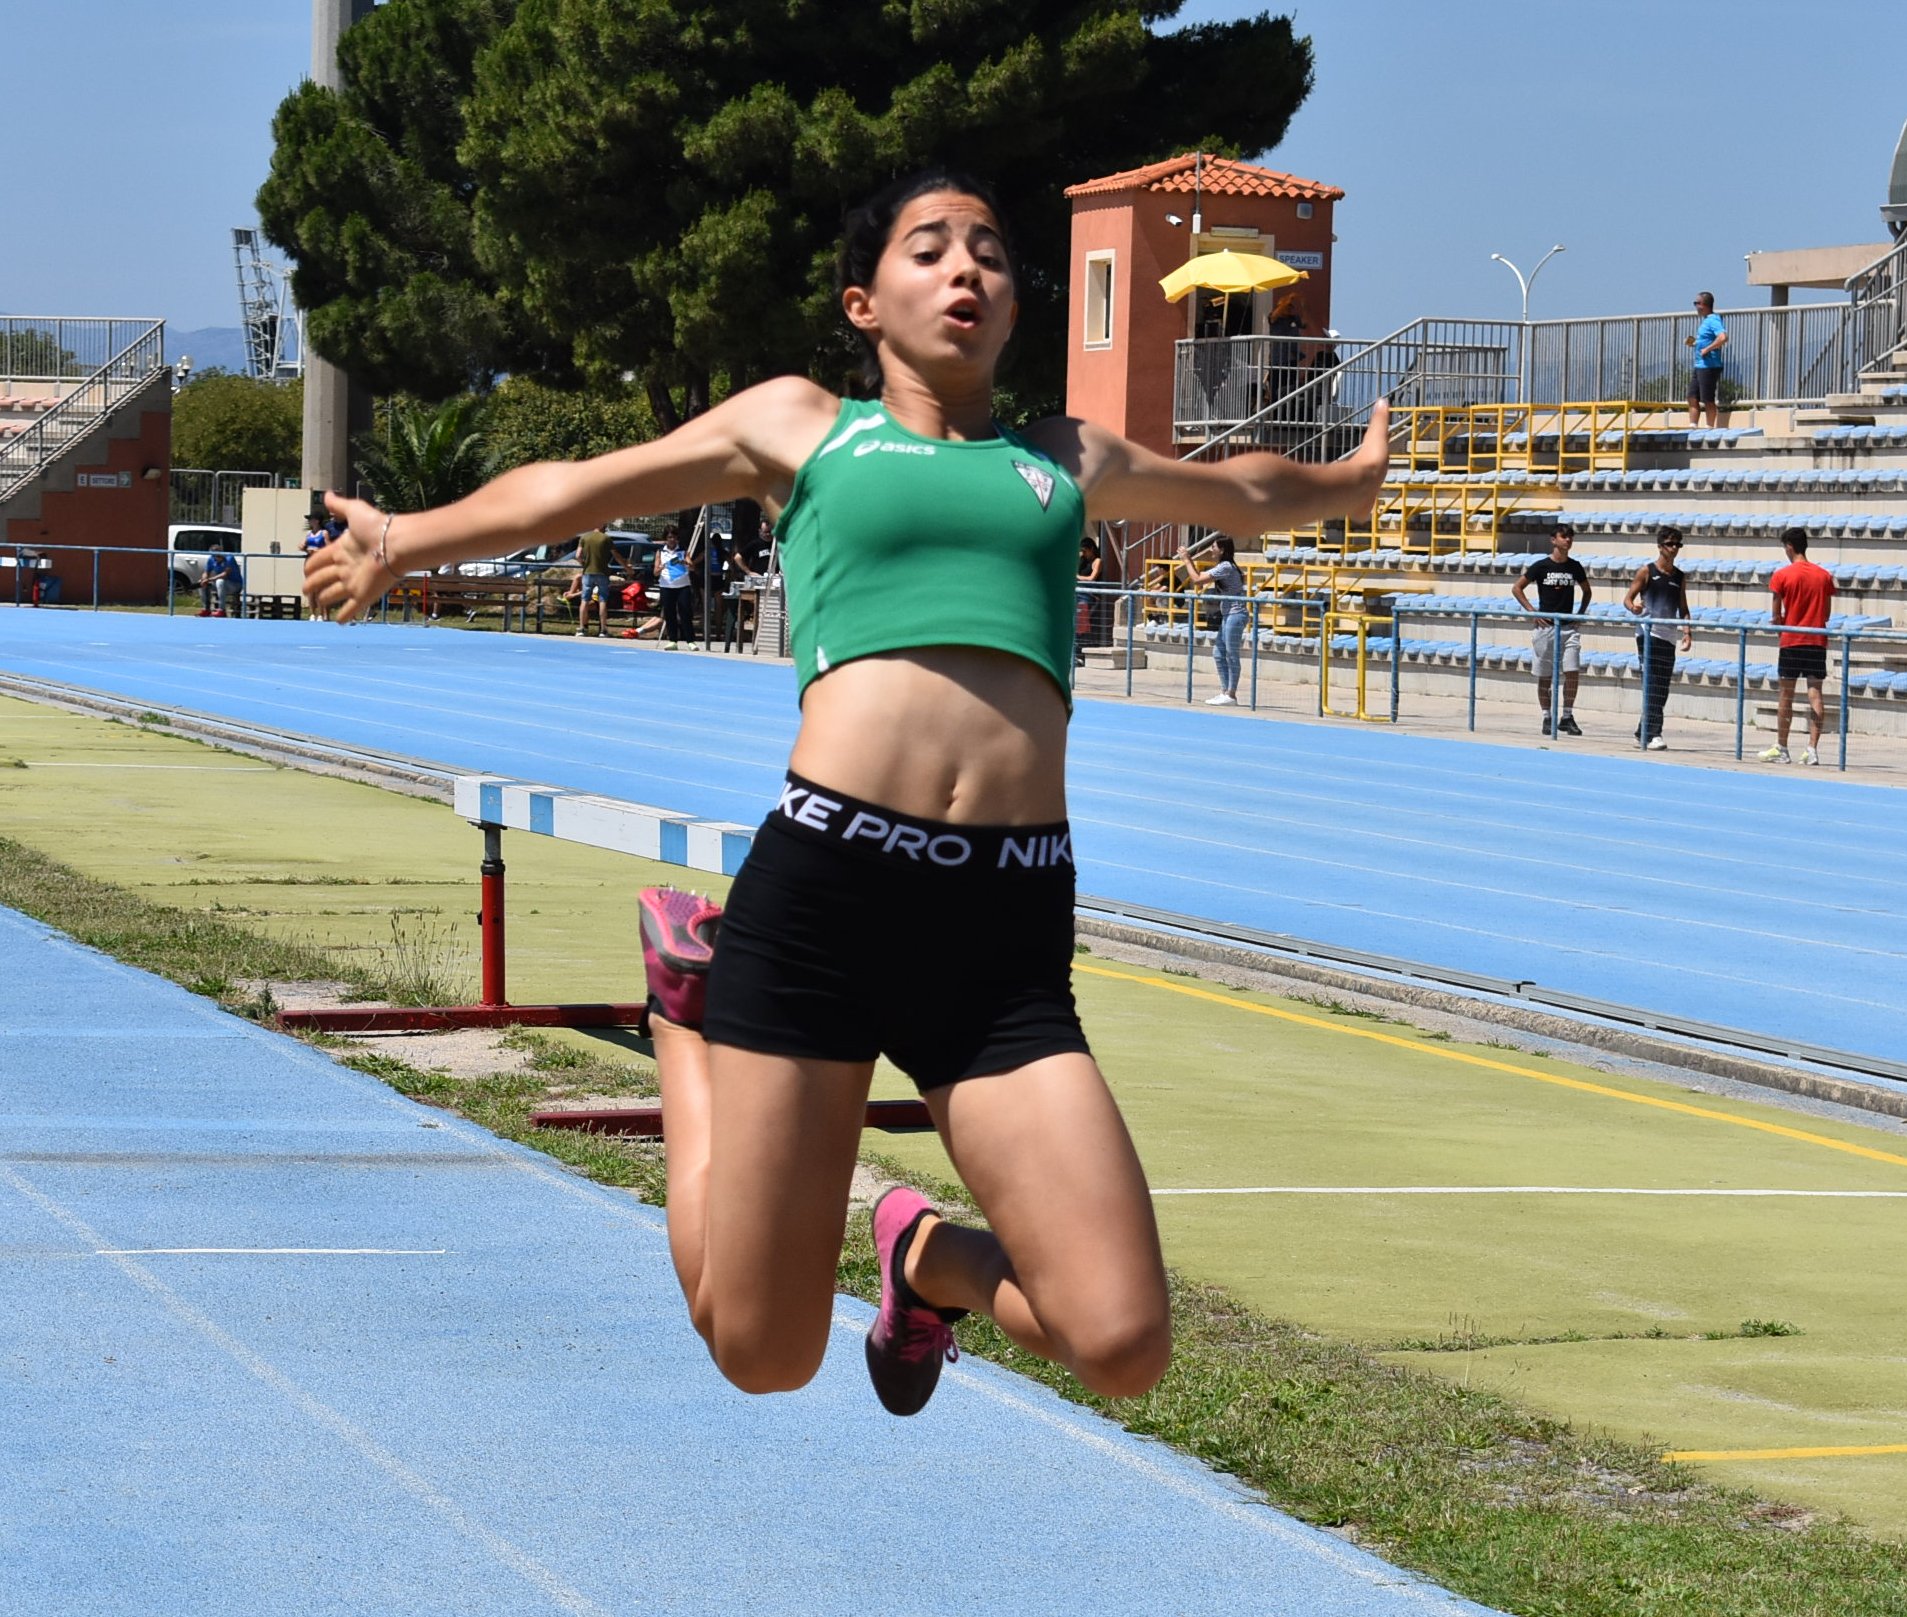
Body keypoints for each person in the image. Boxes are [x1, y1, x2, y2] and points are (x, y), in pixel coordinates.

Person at [303, 169, 1389, 1416]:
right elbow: (578, 485)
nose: (966, 268)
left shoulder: (1060, 459)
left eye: (989, 251)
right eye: (928, 249)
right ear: (862, 303)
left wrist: (1349, 486)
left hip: (1002, 931)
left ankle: (923, 1261)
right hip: (828, 900)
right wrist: (405, 540)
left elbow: (1243, 492)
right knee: (760, 1350)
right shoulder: (804, 428)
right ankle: (683, 1020)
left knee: (1121, 1343)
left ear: (1013, 305)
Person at [1759, 526, 1835, 766]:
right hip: (1816, 640)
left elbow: (1776, 615)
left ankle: (1782, 747)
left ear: (1789, 547)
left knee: (1786, 696)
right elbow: (1826, 613)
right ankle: (1812, 749)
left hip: (1791, 641)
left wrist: (1782, 620)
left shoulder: (1782, 575)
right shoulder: (1823, 575)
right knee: (1815, 694)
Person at [1511, 523, 1592, 736]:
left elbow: (1587, 591)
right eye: (1564, 536)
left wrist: (1580, 614)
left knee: (1572, 672)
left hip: (1568, 628)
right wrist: (1532, 611)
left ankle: (1567, 716)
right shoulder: (1541, 566)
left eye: (1570, 536)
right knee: (1545, 675)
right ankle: (1547, 716)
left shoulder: (1575, 566)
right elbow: (1517, 588)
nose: (1568, 540)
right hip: (1546, 628)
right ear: (1553, 540)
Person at [1623, 526, 1692, 750]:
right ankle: (1654, 733)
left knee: (1662, 686)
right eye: (1670, 544)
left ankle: (1641, 732)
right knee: (1652, 683)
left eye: (1678, 545)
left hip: (1668, 635)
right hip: (1648, 633)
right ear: (1660, 546)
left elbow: (1683, 607)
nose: (1674, 548)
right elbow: (1628, 599)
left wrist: (1687, 632)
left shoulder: (1679, 576)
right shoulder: (1647, 571)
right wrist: (1633, 608)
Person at [1178, 536, 1248, 706]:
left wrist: (1186, 560)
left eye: (1214, 547)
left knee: (1231, 654)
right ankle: (1225, 691)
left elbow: (1197, 580)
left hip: (1236, 614)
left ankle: (1231, 694)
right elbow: (1199, 578)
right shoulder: (1222, 566)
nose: (1211, 550)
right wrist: (1189, 560)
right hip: (1228, 614)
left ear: (1222, 550)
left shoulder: (1226, 566)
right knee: (1218, 653)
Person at [1686, 292, 1728, 429]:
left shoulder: (1713, 320)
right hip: (1699, 365)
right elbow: (1707, 340)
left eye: (1697, 303)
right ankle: (1693, 426)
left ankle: (1709, 426)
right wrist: (1695, 343)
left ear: (1704, 305)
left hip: (1709, 365)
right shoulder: (1705, 321)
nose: (1695, 306)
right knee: (1692, 396)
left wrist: (1707, 349)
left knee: (1707, 398)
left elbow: (1723, 337)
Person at [573, 527, 618, 638]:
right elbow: (616, 554)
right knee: (602, 600)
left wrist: (584, 564)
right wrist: (626, 567)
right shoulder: (606, 538)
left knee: (584, 600)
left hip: (588, 572)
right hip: (602, 572)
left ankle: (582, 628)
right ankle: (603, 630)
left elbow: (577, 556)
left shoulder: (584, 537)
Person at [655, 524, 693, 646]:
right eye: (669, 537)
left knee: (685, 612)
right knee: (669, 613)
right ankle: (672, 640)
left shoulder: (683, 550)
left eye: (674, 537)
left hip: (683, 586)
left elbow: (692, 567)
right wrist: (661, 567)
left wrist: (685, 563)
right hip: (666, 586)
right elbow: (655, 572)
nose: (672, 540)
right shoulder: (660, 552)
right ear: (665, 539)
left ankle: (690, 640)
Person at [1074, 534, 1103, 665]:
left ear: (1091, 549)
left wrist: (1077, 577)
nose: (1084, 554)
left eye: (1085, 551)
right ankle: (1074, 654)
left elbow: (1092, 578)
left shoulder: (1097, 561)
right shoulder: (1082, 561)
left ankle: (1078, 654)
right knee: (1074, 624)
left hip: (1088, 596)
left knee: (1080, 625)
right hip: (1077, 594)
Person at [199, 543, 242, 617]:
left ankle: (222, 610)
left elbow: (225, 574)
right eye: (214, 556)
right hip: (220, 585)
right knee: (201, 584)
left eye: (218, 555)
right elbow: (206, 572)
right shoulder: (211, 559)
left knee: (220, 582)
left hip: (234, 585)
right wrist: (204, 579)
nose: (216, 558)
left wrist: (209, 579)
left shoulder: (230, 558)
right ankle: (206, 609)